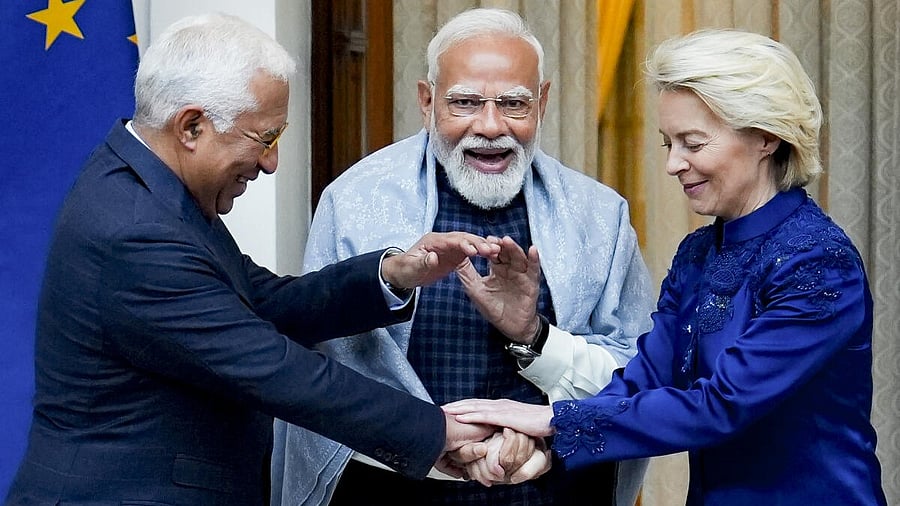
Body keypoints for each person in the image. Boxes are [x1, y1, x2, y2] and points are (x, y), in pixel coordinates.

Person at [2, 12, 531, 506]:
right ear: (191, 128)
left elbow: (265, 301)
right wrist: (436, 432)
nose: (272, 162)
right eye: (266, 137)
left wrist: (392, 273)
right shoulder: (136, 231)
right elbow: (279, 371)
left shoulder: (153, 188)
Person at [445, 29, 888, 505]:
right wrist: (548, 448)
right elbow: (645, 381)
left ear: (764, 137)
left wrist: (548, 420)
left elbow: (722, 404)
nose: (674, 164)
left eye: (693, 144)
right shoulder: (698, 253)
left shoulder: (818, 259)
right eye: (668, 144)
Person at [271, 7, 655, 506]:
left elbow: (638, 370)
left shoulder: (598, 216)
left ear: (542, 101)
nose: (490, 126)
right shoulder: (355, 202)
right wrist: (431, 440)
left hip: (548, 488)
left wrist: (537, 358)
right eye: (465, 102)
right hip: (392, 488)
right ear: (427, 101)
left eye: (514, 103)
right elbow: (322, 368)